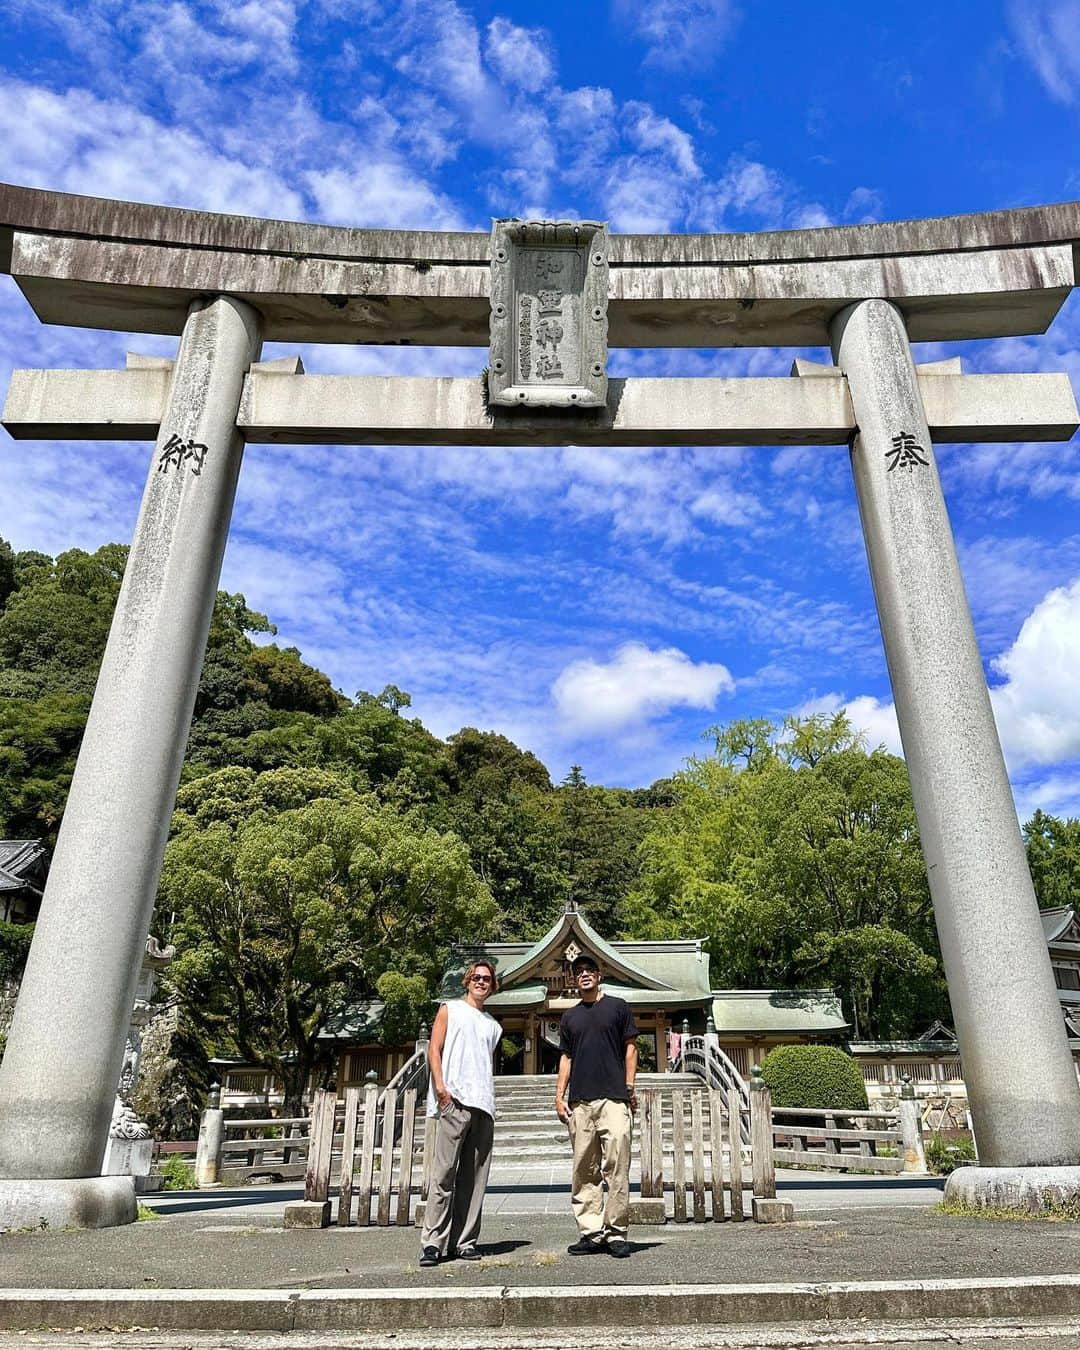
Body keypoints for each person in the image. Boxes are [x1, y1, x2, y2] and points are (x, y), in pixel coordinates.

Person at [554, 953, 639, 1258]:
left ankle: (616, 1232)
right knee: (583, 1168)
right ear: (574, 980)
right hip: (580, 1101)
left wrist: (629, 1086)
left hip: (613, 1097)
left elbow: (631, 1047)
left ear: (599, 975)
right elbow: (566, 1057)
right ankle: (591, 1232)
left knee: (616, 1166)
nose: (584, 975)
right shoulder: (570, 1017)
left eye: (590, 970)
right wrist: (559, 1095)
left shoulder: (618, 1007)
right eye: (579, 972)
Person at [418, 958, 502, 1268]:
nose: (482, 982)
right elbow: (434, 1049)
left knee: (474, 1179)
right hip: (453, 1101)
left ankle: (464, 1241)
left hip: (483, 1103)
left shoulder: (494, 1026)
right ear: (467, 981)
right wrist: (441, 1089)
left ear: (492, 987)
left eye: (487, 979)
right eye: (477, 977)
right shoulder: (449, 1009)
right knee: (443, 1175)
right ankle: (432, 1242)